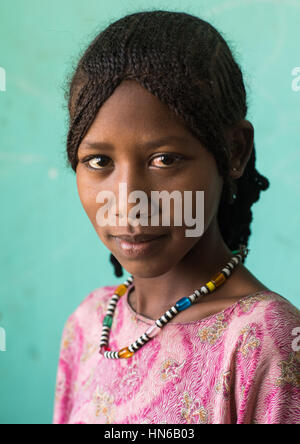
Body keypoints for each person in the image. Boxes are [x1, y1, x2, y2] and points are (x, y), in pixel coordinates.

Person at [52, 10, 300, 424]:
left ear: (234, 151)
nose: (129, 200)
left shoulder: (264, 339)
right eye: (98, 161)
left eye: (164, 159)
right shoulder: (89, 325)